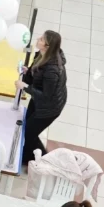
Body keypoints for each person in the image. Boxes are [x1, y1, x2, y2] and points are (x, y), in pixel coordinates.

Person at [17, 30, 67, 164]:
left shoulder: (52, 70)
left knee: (29, 133)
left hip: (49, 108)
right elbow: (37, 70)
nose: (38, 39)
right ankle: (28, 157)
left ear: (47, 46)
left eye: (41, 39)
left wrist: (25, 87)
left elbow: (46, 96)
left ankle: (42, 160)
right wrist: (29, 71)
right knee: (27, 128)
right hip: (39, 100)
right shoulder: (42, 54)